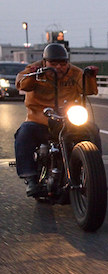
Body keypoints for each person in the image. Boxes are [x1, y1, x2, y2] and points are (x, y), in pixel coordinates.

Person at [13, 43, 99, 196]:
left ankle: (94, 168)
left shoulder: (75, 73)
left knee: (92, 129)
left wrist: (90, 77)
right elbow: (22, 84)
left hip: (67, 119)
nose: (59, 67)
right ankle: (30, 177)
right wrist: (32, 75)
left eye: (62, 63)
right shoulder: (35, 70)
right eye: (53, 63)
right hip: (40, 119)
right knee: (24, 133)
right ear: (45, 61)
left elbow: (89, 91)